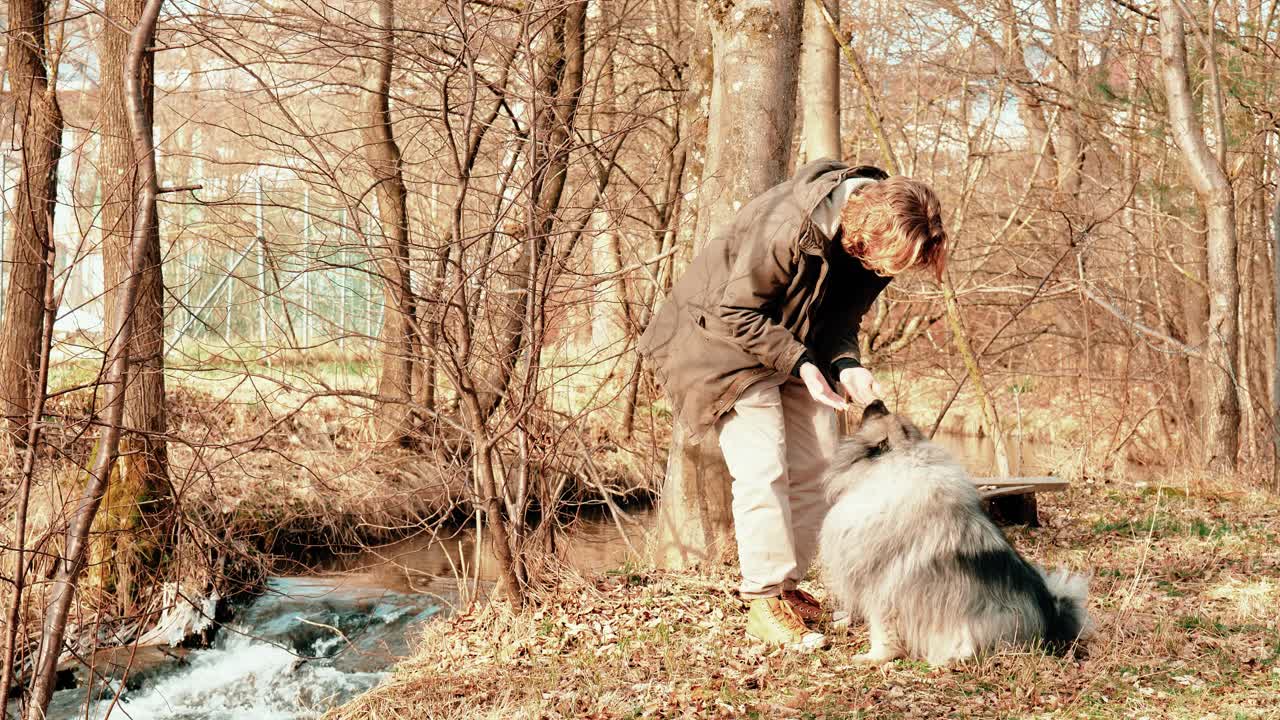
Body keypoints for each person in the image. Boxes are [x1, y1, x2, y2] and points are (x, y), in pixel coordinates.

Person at [638, 159, 948, 650]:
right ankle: (763, 599)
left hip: (789, 343)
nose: (886, 273)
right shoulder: (791, 227)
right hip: (718, 343)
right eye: (887, 262)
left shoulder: (881, 247)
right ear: (866, 230)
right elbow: (735, 311)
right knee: (763, 465)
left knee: (822, 460)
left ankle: (787, 587)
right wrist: (802, 363)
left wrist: (847, 365)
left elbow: (839, 324)